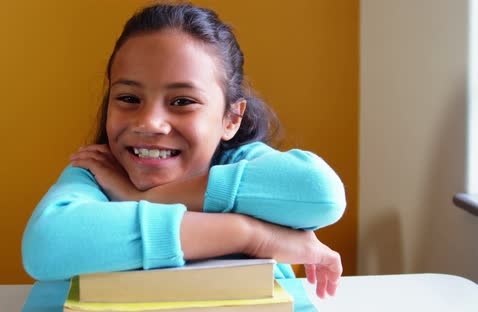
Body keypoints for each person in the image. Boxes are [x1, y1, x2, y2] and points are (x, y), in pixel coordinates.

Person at [22, 3, 346, 299]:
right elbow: (48, 244)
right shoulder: (98, 171)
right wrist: (249, 235)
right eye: (129, 98)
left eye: (182, 102)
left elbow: (322, 195)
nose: (149, 123)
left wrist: (144, 198)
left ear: (231, 119)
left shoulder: (242, 164)